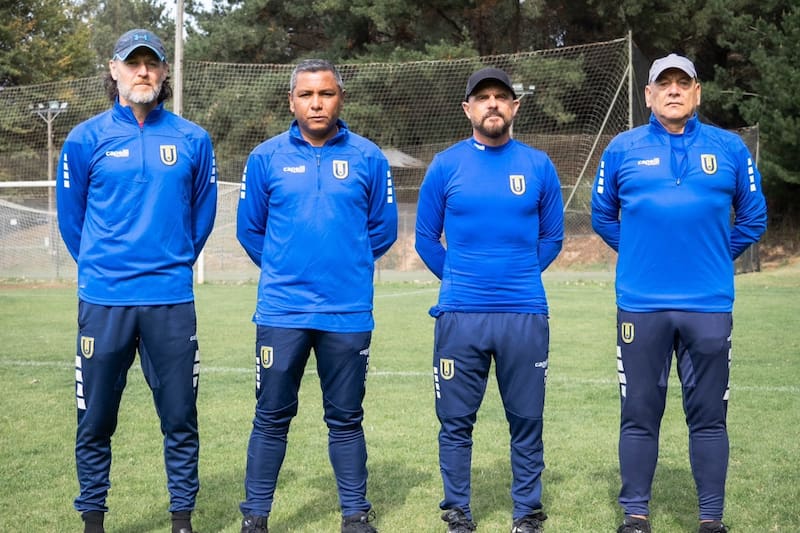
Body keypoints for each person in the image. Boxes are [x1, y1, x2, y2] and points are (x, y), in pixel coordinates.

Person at [591, 53, 767, 533]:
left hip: (708, 305)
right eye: (662, 84)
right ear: (648, 95)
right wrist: (643, 252)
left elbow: (754, 217)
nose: (672, 90)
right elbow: (602, 216)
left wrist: (706, 253)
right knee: (639, 415)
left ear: (696, 92)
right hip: (641, 306)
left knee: (709, 417)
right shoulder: (622, 149)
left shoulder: (729, 149)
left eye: (681, 83)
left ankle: (710, 519)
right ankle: (636, 516)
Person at [56, 28, 217, 533]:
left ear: (165, 72)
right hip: (104, 301)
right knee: (96, 421)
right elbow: (71, 219)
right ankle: (93, 521)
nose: (142, 72)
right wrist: (105, 268)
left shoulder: (193, 139)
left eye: (151, 63)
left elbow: (203, 214)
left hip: (170, 300)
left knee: (179, 418)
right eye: (132, 63)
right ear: (114, 70)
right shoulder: (85, 138)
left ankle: (182, 520)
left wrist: (172, 260)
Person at [236, 58, 397, 533]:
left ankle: (355, 515)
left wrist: (344, 267)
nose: (316, 103)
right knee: (270, 416)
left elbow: (383, 230)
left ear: (339, 98)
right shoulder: (265, 158)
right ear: (292, 101)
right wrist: (288, 268)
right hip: (282, 311)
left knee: (346, 417)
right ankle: (255, 517)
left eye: (325, 93)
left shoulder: (369, 157)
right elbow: (251, 230)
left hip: (347, 313)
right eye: (306, 95)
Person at [415, 67, 564, 533]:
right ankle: (457, 512)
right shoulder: (446, 165)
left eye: (502, 96)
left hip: (524, 315)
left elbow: (553, 238)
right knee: (456, 422)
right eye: (483, 98)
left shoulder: (539, 165)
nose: (493, 104)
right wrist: (463, 281)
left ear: (515, 106)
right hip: (461, 316)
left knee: (526, 421)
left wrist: (514, 277)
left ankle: (527, 514)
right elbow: (424, 238)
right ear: (468, 109)